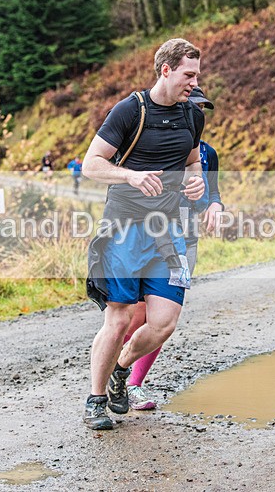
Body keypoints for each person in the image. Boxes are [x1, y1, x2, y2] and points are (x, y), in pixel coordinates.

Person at [81, 38, 206, 430]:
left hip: (169, 232)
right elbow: (91, 164)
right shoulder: (129, 110)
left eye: (197, 75)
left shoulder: (192, 116)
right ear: (166, 70)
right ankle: (96, 400)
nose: (194, 82)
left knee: (165, 322)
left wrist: (197, 183)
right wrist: (131, 175)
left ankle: (121, 371)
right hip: (125, 228)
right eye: (188, 74)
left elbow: (192, 162)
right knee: (118, 320)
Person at [124, 86, 224, 411]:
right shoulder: (153, 140)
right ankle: (116, 377)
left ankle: (131, 383)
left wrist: (216, 206)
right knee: (135, 312)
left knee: (161, 318)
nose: (197, 114)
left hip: (185, 237)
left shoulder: (207, 152)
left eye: (202, 109)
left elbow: (213, 190)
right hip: (148, 232)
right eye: (192, 106)